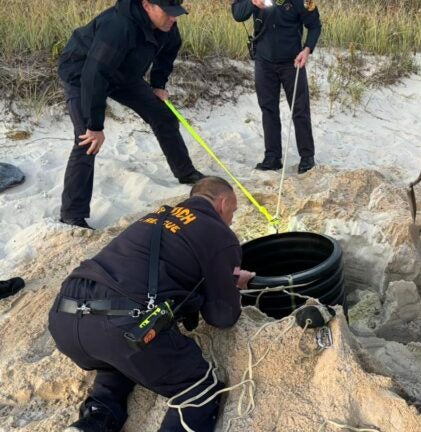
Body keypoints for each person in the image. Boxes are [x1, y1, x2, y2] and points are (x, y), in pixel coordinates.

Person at [49, 176, 255, 432]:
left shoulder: (156, 216)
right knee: (199, 387)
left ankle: (93, 421)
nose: (232, 220)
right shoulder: (220, 235)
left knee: (117, 362)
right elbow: (222, 317)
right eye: (233, 212)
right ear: (223, 203)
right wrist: (231, 285)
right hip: (120, 323)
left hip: (65, 316)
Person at [57, 0, 206, 230]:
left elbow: (168, 52)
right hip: (82, 73)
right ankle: (72, 214)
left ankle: (186, 173)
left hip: (124, 75)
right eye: (168, 13)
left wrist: (158, 84)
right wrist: (95, 125)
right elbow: (94, 75)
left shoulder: (167, 26)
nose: (174, 18)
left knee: (163, 115)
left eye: (177, 13)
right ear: (147, 5)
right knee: (86, 139)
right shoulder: (118, 26)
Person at [232, 0, 322, 174]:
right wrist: (253, 2)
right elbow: (238, 14)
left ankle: (307, 157)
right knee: (268, 109)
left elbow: (315, 26)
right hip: (264, 60)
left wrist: (307, 49)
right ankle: (272, 157)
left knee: (300, 109)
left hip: (293, 61)